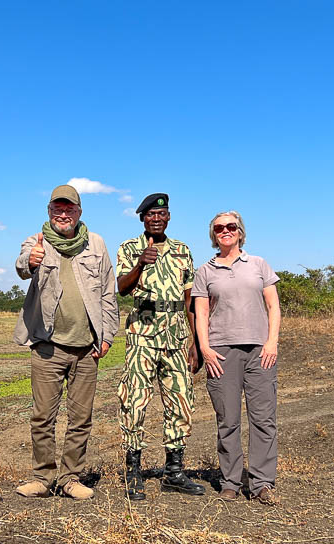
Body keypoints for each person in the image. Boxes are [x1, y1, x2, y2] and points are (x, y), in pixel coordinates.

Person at [13, 184, 119, 500]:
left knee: (80, 417)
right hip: (48, 345)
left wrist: (108, 335)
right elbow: (22, 266)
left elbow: (108, 294)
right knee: (43, 416)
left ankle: (71, 478)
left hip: (87, 347)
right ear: (49, 211)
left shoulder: (96, 244)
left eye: (69, 208)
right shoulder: (37, 241)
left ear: (79, 212)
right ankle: (42, 478)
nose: (63, 214)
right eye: (57, 209)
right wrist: (31, 260)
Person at [116, 193, 204, 501]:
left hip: (177, 335)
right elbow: (122, 289)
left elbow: (190, 300)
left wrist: (195, 343)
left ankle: (174, 472)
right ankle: (133, 471)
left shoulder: (182, 251)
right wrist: (140, 264)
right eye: (151, 214)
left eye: (162, 214)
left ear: (168, 218)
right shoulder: (129, 248)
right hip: (143, 333)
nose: (157, 218)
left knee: (180, 401)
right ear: (142, 218)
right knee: (134, 402)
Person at [191, 211, 281, 504]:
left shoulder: (258, 264)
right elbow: (200, 313)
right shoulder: (205, 271)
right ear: (213, 234)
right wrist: (204, 348)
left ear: (240, 232)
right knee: (227, 419)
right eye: (219, 228)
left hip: (259, 351)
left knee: (263, 419)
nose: (225, 231)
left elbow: (273, 307)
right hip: (221, 352)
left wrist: (272, 343)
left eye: (231, 226)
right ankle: (230, 481)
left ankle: (262, 483)